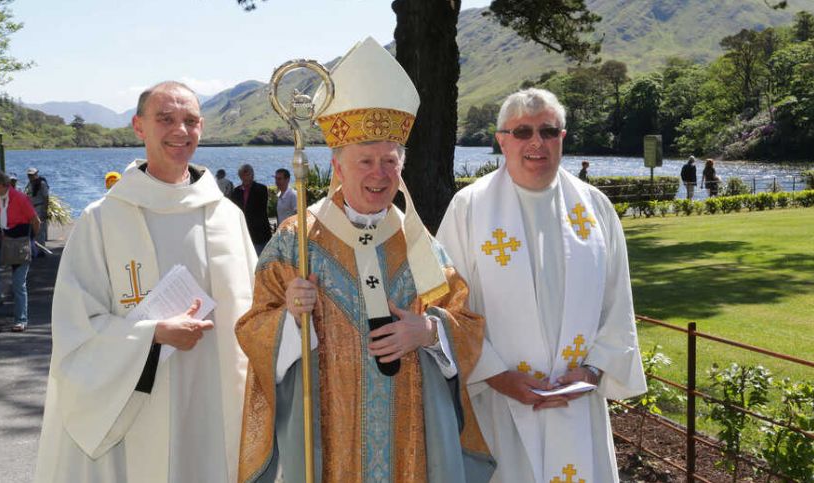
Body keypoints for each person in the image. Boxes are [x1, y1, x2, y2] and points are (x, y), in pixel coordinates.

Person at [236, 37, 495, 483]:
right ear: (337, 168)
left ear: (401, 167)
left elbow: (465, 325)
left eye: (389, 162)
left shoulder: (417, 241)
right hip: (327, 435)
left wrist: (430, 331)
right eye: (365, 161)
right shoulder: (295, 239)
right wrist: (292, 319)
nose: (379, 173)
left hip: (410, 437)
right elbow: (253, 330)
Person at [34, 81, 258, 483]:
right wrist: (151, 334)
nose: (180, 131)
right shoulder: (102, 219)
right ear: (139, 127)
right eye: (165, 119)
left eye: (190, 121)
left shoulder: (226, 216)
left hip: (213, 393)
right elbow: (75, 325)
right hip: (134, 402)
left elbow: (255, 309)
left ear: (202, 128)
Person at [437, 87, 647, 483]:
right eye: (522, 132)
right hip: (500, 403)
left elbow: (618, 303)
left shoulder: (596, 207)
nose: (536, 142)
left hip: (578, 399)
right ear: (501, 140)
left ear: (562, 138)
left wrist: (594, 370)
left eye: (548, 131)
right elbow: (449, 309)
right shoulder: (469, 209)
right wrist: (498, 377)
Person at [0, 170, 40, 332]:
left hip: (20, 243)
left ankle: (21, 320)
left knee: (18, 284)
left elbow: (35, 221)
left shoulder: (20, 198)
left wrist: (31, 240)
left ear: (0, 184)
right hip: (4, 240)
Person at [231, 163, 272, 254]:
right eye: (242, 175)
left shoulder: (261, 189)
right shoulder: (236, 192)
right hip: (243, 232)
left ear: (252, 175)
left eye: (247, 174)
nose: (245, 177)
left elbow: (259, 210)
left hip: (259, 233)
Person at [25, 167, 49, 247]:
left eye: (32, 175)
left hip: (39, 206)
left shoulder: (42, 183)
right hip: (32, 208)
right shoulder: (30, 184)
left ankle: (41, 249)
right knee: (33, 228)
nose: (30, 177)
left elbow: (46, 197)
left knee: (40, 229)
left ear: (36, 174)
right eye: (29, 175)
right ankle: (35, 248)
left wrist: (45, 210)